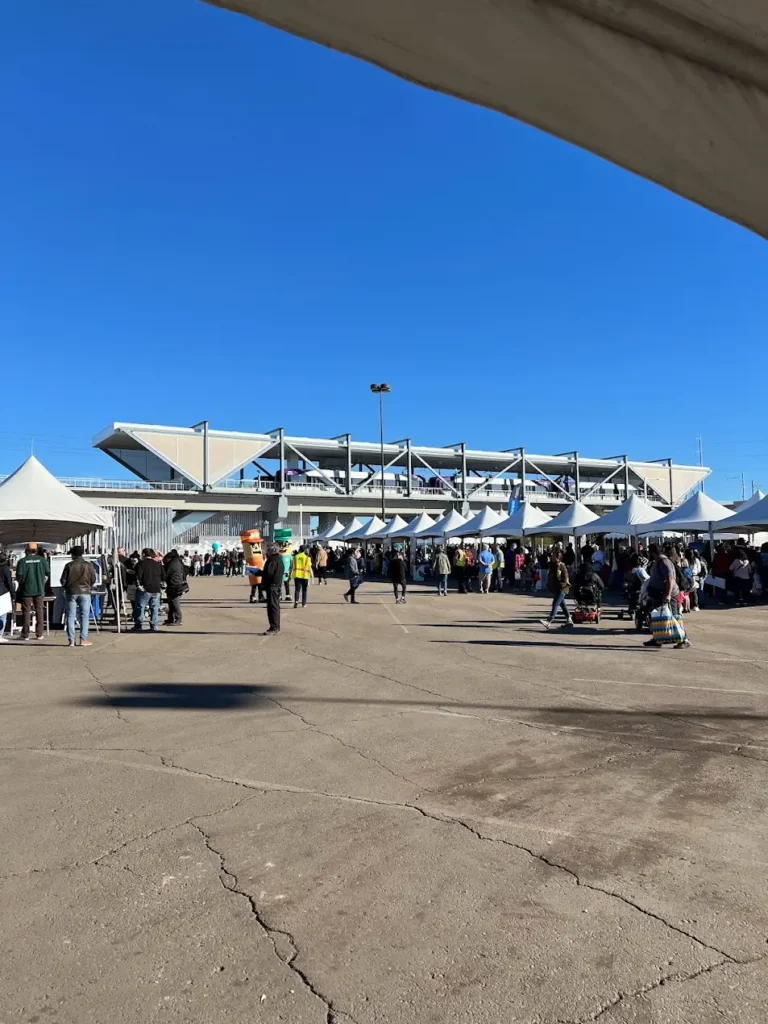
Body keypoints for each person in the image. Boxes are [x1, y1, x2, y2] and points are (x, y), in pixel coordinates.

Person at [644, 543, 690, 648]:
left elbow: (670, 578)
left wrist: (668, 595)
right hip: (659, 594)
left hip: (668, 594)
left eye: (649, 552)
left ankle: (684, 640)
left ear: (653, 553)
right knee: (659, 618)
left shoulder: (664, 561)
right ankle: (657, 639)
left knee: (674, 617)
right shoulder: (658, 561)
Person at [60, 545, 97, 647]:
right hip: (85, 592)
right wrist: (88, 585)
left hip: (71, 592)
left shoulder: (69, 565)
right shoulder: (88, 565)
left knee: (71, 616)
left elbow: (63, 580)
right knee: (84, 616)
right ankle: (83, 639)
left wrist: (67, 587)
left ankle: (71, 640)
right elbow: (93, 579)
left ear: (73, 554)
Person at [15, 542, 49, 641]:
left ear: (27, 550)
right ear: (37, 550)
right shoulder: (43, 560)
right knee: (39, 611)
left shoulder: (22, 561)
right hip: (39, 589)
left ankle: (25, 634)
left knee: (26, 612)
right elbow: (47, 573)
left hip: (26, 590)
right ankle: (39, 634)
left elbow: (19, 576)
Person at [133, 548, 165, 632]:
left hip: (145, 588)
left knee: (140, 607)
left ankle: (138, 625)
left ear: (143, 554)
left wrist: (138, 585)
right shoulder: (158, 564)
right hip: (156, 589)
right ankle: (154, 625)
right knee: (154, 608)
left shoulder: (140, 564)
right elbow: (163, 576)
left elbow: (137, 575)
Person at [540, 550, 572, 629]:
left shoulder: (562, 565)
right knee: (562, 604)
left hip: (562, 589)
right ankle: (569, 620)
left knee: (555, 604)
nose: (552, 557)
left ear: (558, 557)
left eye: (554, 556)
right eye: (552, 556)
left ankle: (549, 621)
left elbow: (565, 577)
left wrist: (561, 585)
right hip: (556, 589)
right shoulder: (553, 565)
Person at [261, 543, 284, 634]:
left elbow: (269, 574)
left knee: (272, 607)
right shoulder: (279, 559)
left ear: (272, 551)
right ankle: (274, 627)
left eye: (268, 550)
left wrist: (259, 572)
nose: (267, 552)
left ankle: (274, 627)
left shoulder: (272, 560)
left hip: (272, 586)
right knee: (274, 607)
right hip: (276, 586)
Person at [163, 549, 188, 625]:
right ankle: (171, 618)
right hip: (177, 584)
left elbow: (166, 574)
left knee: (174, 602)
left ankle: (178, 619)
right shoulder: (178, 562)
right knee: (171, 602)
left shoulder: (172, 563)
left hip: (174, 585)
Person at [0, 553, 14, 643]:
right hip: (3, 593)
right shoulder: (6, 569)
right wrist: (13, 594)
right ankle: (0, 635)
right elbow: (9, 583)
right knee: (2, 616)